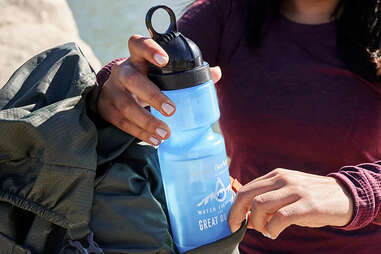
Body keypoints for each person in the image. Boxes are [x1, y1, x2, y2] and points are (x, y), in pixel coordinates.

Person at [96, 0, 381, 253]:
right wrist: (120, 82)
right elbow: (149, 68)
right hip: (239, 242)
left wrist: (354, 191)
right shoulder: (227, 14)